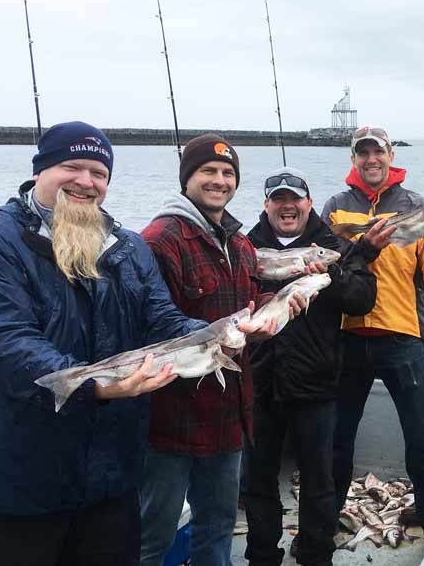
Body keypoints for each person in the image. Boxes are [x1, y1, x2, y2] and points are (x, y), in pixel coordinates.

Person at [0, 121, 267, 566]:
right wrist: (97, 387)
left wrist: (217, 336)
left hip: (110, 482)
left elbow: (161, 319)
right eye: (72, 166)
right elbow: (3, 344)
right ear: (40, 171)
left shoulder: (127, 248)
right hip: (13, 485)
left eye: (99, 173)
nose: (86, 182)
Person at [138, 134, 281, 566]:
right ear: (188, 178)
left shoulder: (240, 243)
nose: (219, 181)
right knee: (153, 536)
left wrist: (274, 314)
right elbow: (148, 322)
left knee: (217, 527)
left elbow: (250, 307)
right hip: (172, 419)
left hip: (229, 414)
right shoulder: (159, 239)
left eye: (228, 173)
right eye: (208, 171)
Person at [320, 125, 424, 541]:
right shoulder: (336, 207)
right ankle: (321, 531)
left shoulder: (417, 207)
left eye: (377, 152)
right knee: (337, 442)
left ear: (390, 155)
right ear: (353, 159)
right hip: (349, 335)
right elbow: (327, 266)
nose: (371, 159)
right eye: (362, 153)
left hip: (405, 337)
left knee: (423, 444)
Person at [243, 167, 378, 566]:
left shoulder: (332, 246)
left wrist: (331, 275)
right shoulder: (245, 247)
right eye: (279, 199)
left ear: (309, 203)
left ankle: (316, 554)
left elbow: (363, 299)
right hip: (260, 379)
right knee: (258, 479)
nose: (288, 206)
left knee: (319, 481)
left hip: (316, 380)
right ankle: (262, 555)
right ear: (266, 205)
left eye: (295, 198)